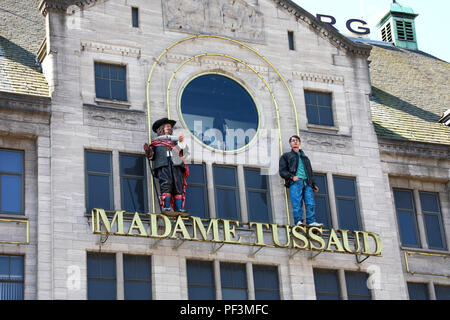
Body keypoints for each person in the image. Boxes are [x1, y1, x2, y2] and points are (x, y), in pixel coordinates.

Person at [144, 118, 189, 213]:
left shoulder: (176, 142)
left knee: (178, 186)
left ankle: (179, 208)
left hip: (176, 165)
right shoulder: (156, 144)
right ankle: (166, 206)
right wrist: (148, 151)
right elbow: (152, 156)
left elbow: (184, 153)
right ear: (160, 130)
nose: (170, 129)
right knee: (166, 184)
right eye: (167, 127)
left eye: (170, 128)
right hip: (163, 165)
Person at [279, 135, 323, 227]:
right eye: (293, 141)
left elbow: (310, 172)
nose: (295, 142)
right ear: (290, 144)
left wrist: (313, 184)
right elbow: (282, 171)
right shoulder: (286, 156)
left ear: (299, 143)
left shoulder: (305, 158)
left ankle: (311, 221)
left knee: (310, 203)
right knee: (297, 202)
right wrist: (292, 177)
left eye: (297, 140)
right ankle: (298, 221)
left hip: (307, 182)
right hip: (296, 182)